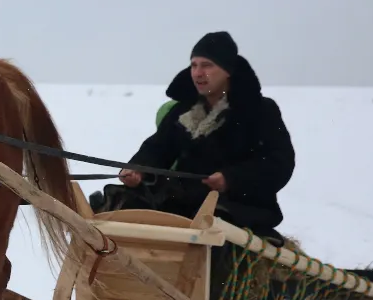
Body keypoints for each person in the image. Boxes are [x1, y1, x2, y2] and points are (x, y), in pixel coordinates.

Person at [90, 31, 296, 239]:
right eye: (194, 65)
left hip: (238, 205)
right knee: (121, 205)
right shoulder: (182, 111)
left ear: (227, 70)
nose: (198, 72)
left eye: (207, 65)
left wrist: (231, 179)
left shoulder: (261, 110)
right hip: (181, 201)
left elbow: (280, 162)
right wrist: (138, 168)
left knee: (211, 226)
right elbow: (158, 148)